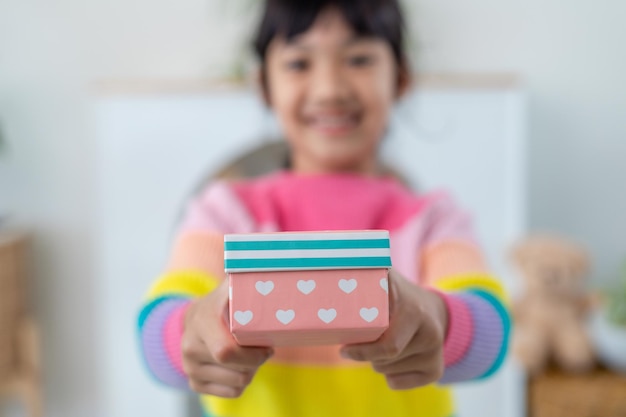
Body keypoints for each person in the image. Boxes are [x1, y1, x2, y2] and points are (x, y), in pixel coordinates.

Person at [137, 0, 510, 416]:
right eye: (298, 63)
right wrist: (190, 329)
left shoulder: (433, 219)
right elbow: (157, 336)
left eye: (359, 58)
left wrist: (441, 320)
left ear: (401, 78)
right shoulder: (224, 213)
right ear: (264, 86)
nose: (330, 89)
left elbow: (492, 332)